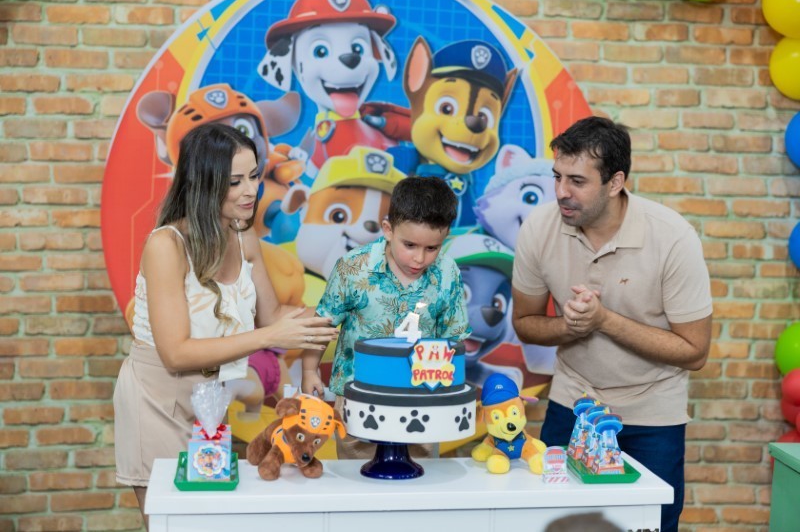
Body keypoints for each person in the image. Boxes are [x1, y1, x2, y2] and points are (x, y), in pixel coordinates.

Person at [113, 123, 337, 527]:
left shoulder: (243, 235)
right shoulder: (166, 245)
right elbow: (176, 352)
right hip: (157, 400)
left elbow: (273, 316)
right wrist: (269, 337)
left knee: (214, 520)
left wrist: (335, 317)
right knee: (174, 522)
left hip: (212, 399)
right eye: (235, 182)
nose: (251, 190)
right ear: (203, 183)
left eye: (254, 176)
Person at [511, 116, 712, 532]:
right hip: (572, 404)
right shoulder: (539, 228)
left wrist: (603, 320)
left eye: (577, 181)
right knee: (550, 521)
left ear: (615, 182)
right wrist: (570, 327)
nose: (561, 192)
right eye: (557, 177)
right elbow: (526, 323)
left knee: (652, 524)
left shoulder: (673, 237)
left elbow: (695, 352)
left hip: (652, 414)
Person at [301, 176, 471, 459]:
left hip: (422, 400)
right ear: (388, 229)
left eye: (432, 248)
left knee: (420, 474)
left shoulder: (447, 272)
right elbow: (323, 323)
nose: (419, 259)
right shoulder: (352, 267)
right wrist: (309, 371)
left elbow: (453, 338)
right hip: (358, 398)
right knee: (357, 476)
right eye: (410, 245)